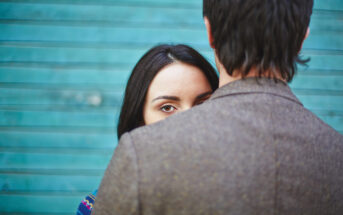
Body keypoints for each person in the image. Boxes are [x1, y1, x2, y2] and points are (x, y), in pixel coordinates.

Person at [93, 0, 343, 214]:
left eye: (201, 101)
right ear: (302, 39)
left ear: (210, 31)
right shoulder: (336, 156)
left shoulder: (142, 153)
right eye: (168, 106)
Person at [76, 44, 218, 215]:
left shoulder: (241, 186)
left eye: (202, 103)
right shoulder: (102, 206)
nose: (190, 120)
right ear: (139, 119)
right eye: (167, 107)